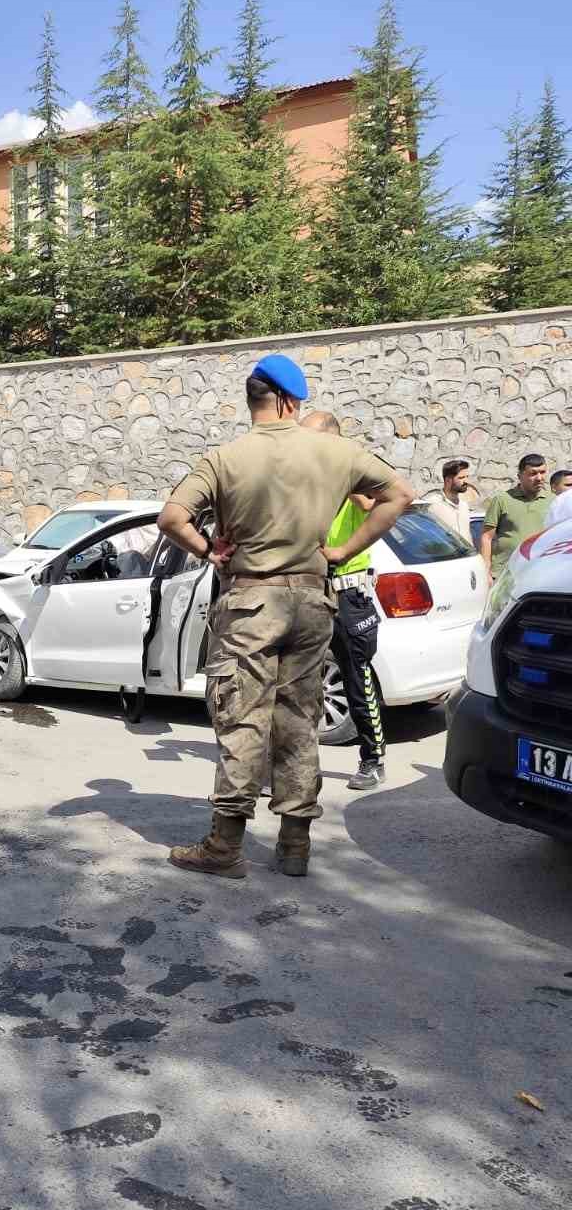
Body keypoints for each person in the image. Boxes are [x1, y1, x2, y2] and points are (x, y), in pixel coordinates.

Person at [157, 355, 414, 880]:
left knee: (242, 720)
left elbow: (171, 518)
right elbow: (400, 497)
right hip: (313, 602)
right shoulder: (337, 451)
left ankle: (225, 847)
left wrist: (209, 550)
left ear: (254, 399)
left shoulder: (225, 458)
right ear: (292, 401)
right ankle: (295, 846)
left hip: (251, 603)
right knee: (299, 721)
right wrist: (343, 549)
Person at [304, 411, 386, 792]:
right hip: (309, 591)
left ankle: (372, 760)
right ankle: (293, 766)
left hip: (349, 594)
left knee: (357, 676)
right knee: (297, 679)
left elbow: (374, 504)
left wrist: (342, 474)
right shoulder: (306, 481)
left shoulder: (355, 477)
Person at [480, 455, 550, 580]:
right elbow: (487, 537)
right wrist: (486, 571)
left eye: (542, 472)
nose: (539, 478)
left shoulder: (553, 501)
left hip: (540, 573)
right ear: (520, 476)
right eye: (533, 473)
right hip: (504, 575)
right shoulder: (502, 500)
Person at [421, 460, 476, 544]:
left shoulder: (464, 505)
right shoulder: (432, 504)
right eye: (461, 478)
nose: (466, 481)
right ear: (448, 480)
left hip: (467, 555)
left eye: (467, 477)